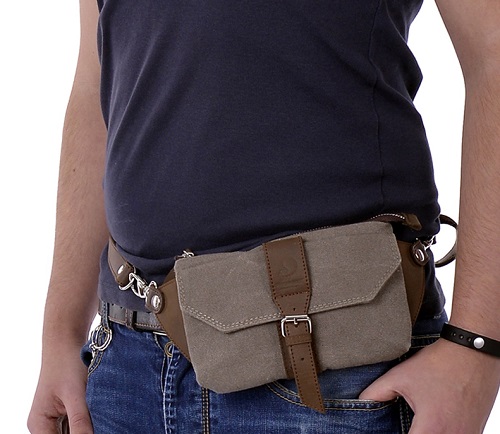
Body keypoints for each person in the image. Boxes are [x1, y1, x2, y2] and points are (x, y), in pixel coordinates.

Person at [28, 0, 500, 433]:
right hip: (125, 366)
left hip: (333, 362)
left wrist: (477, 350)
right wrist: (61, 336)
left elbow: (492, 48)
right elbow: (98, 82)